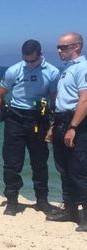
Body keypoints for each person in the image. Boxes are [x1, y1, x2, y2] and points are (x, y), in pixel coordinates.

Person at [0, 40, 59, 216]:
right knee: (12, 162)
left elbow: (54, 101)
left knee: (40, 162)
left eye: (32, 60)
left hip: (38, 120)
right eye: (26, 60)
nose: (29, 64)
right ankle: (12, 201)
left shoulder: (52, 72)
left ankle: (42, 201)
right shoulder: (14, 70)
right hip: (15, 119)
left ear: (40, 55)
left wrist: (53, 126)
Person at [46, 32, 87, 231]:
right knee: (63, 168)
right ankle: (70, 209)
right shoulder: (67, 69)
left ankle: (85, 215)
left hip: (77, 123)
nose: (59, 51)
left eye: (63, 47)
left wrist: (73, 127)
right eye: (58, 47)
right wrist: (54, 126)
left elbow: (85, 100)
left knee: (79, 169)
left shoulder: (82, 68)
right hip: (62, 121)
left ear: (76, 47)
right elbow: (62, 103)